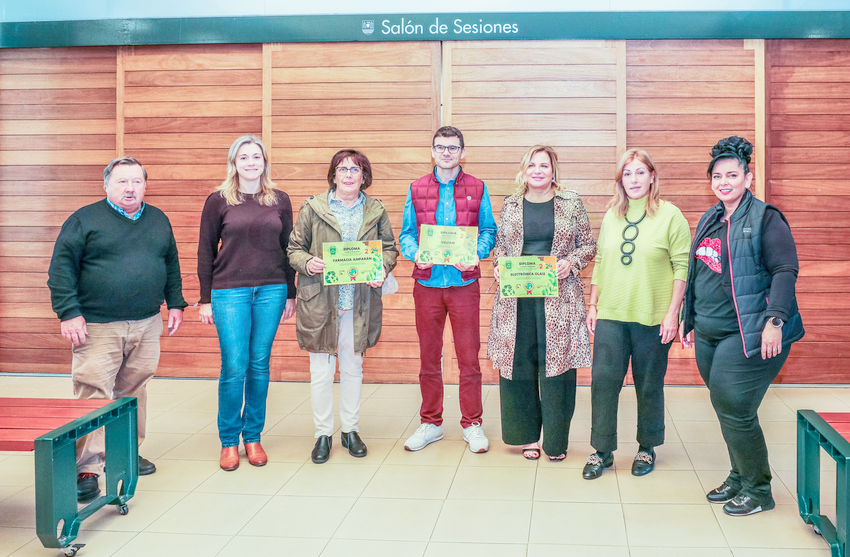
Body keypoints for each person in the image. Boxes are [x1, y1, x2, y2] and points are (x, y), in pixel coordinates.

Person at [47, 156, 186, 502]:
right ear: (106, 185)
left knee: (134, 391)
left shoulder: (157, 219)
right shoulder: (84, 220)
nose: (130, 188)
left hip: (146, 321)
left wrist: (176, 303)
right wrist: (68, 313)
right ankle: (88, 467)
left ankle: (124, 453)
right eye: (122, 181)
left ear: (145, 186)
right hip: (96, 324)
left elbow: (170, 263)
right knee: (94, 392)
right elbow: (61, 270)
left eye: (136, 181)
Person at [680, 136, 804, 516]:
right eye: (717, 176)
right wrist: (689, 318)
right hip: (709, 330)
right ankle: (739, 474)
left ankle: (759, 489)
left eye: (732, 175)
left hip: (750, 332)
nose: (724, 182)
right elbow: (696, 270)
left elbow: (785, 269)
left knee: (734, 405)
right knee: (725, 405)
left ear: (748, 178)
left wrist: (775, 321)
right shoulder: (710, 217)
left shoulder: (766, 217)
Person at [583, 149, 691, 480]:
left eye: (640, 172)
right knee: (603, 382)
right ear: (621, 180)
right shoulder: (613, 215)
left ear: (652, 176)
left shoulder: (671, 215)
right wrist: (593, 303)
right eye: (627, 174)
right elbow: (600, 261)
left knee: (648, 384)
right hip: (612, 314)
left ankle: (647, 446)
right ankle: (601, 450)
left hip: (653, 316)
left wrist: (673, 313)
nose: (634, 180)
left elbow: (682, 266)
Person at [287, 149, 398, 464]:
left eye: (356, 169)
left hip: (359, 303)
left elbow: (389, 248)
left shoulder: (375, 209)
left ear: (364, 176)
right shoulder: (313, 207)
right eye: (343, 169)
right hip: (321, 303)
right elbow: (294, 248)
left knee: (352, 369)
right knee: (320, 372)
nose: (349, 174)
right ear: (333, 174)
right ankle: (322, 434)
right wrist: (309, 262)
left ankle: (350, 430)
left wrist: (383, 268)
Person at [488, 145, 596, 461]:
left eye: (544, 166)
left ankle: (555, 442)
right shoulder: (510, 204)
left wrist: (571, 262)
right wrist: (498, 263)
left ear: (553, 171)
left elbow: (589, 245)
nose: (538, 170)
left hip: (558, 300)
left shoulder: (571, 203)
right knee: (518, 365)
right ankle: (527, 437)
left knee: (557, 368)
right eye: (532, 165)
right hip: (516, 300)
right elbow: (499, 247)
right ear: (525, 170)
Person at [197, 135, 297, 472]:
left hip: (271, 290)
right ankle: (229, 442)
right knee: (234, 366)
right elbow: (205, 250)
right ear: (234, 163)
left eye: (257, 157)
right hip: (229, 292)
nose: (251, 162)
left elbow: (289, 248)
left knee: (259, 364)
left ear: (265, 162)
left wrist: (291, 292)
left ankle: (252, 437)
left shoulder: (280, 200)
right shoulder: (218, 200)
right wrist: (205, 298)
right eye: (244, 157)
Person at [399, 126, 497, 454]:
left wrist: (477, 253)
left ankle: (472, 424)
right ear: (432, 151)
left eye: (452, 148)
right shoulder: (415, 188)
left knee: (469, 357)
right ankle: (431, 423)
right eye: (440, 147)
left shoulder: (478, 187)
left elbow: (488, 230)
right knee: (430, 357)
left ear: (462, 152)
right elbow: (406, 236)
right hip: (427, 284)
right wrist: (417, 253)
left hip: (464, 284)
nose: (446, 153)